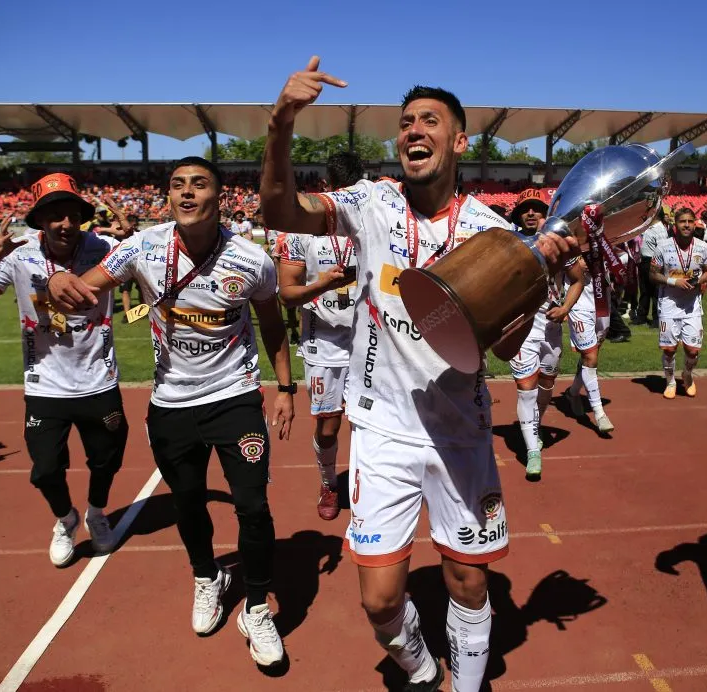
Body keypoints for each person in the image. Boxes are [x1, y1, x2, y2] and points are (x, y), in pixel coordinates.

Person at [260, 57, 575, 692]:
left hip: (459, 433)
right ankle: (422, 666)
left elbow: (508, 349)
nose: (413, 131)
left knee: (468, 579)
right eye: (405, 123)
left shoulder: (491, 232)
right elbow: (279, 211)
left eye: (430, 120)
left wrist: (535, 288)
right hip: (382, 430)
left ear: (460, 140)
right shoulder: (370, 203)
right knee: (379, 602)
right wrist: (281, 122)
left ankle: (465, 686)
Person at [47, 157, 296, 668]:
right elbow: (86, 286)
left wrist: (286, 387)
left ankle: (256, 607)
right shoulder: (144, 247)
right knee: (187, 503)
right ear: (167, 197)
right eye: (177, 185)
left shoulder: (252, 259)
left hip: (235, 398)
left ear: (219, 197)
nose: (186, 193)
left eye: (198, 184)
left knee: (252, 506)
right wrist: (57, 285)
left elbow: (273, 324)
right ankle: (207, 577)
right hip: (171, 405)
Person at [0, 173, 127, 567]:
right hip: (45, 385)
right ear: (40, 221)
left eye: (72, 215)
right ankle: (65, 519)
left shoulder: (105, 248)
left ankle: (97, 513)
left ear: (82, 218)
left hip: (99, 380)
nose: (65, 224)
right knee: (46, 469)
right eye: (55, 216)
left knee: (107, 459)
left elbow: (147, 260)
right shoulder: (19, 258)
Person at [277, 150, 364, 520]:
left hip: (367, 341)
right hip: (323, 343)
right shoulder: (299, 231)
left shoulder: (374, 224)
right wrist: (323, 284)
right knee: (328, 428)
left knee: (368, 424)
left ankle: (367, 488)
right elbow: (287, 292)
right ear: (326, 189)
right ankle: (329, 483)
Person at [507, 188, 586, 479]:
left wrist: (566, 307)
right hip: (523, 327)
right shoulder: (509, 243)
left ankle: (534, 425)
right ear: (518, 215)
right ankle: (532, 451)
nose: (531, 213)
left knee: (547, 384)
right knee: (526, 388)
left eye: (537, 209)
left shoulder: (561, 245)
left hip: (552, 327)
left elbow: (578, 280)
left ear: (547, 214)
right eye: (525, 209)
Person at [650, 207, 707, 399]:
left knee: (692, 350)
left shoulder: (704, 247)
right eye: (682, 221)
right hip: (668, 304)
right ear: (675, 225)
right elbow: (652, 274)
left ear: (695, 223)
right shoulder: (663, 247)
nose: (686, 225)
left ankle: (687, 375)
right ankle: (670, 381)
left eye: (690, 221)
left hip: (692, 305)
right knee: (669, 349)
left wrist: (698, 281)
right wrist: (673, 281)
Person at [564, 258, 614, 434]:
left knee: (590, 356)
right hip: (578, 304)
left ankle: (572, 392)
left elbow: (622, 257)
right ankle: (600, 414)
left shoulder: (605, 237)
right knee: (590, 356)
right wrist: (574, 263)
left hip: (602, 304)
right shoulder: (569, 237)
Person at [635, 207, 669, 326]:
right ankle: (641, 317)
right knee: (644, 290)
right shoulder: (649, 227)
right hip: (644, 261)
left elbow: (662, 249)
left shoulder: (660, 229)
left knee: (655, 292)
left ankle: (656, 319)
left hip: (654, 261)